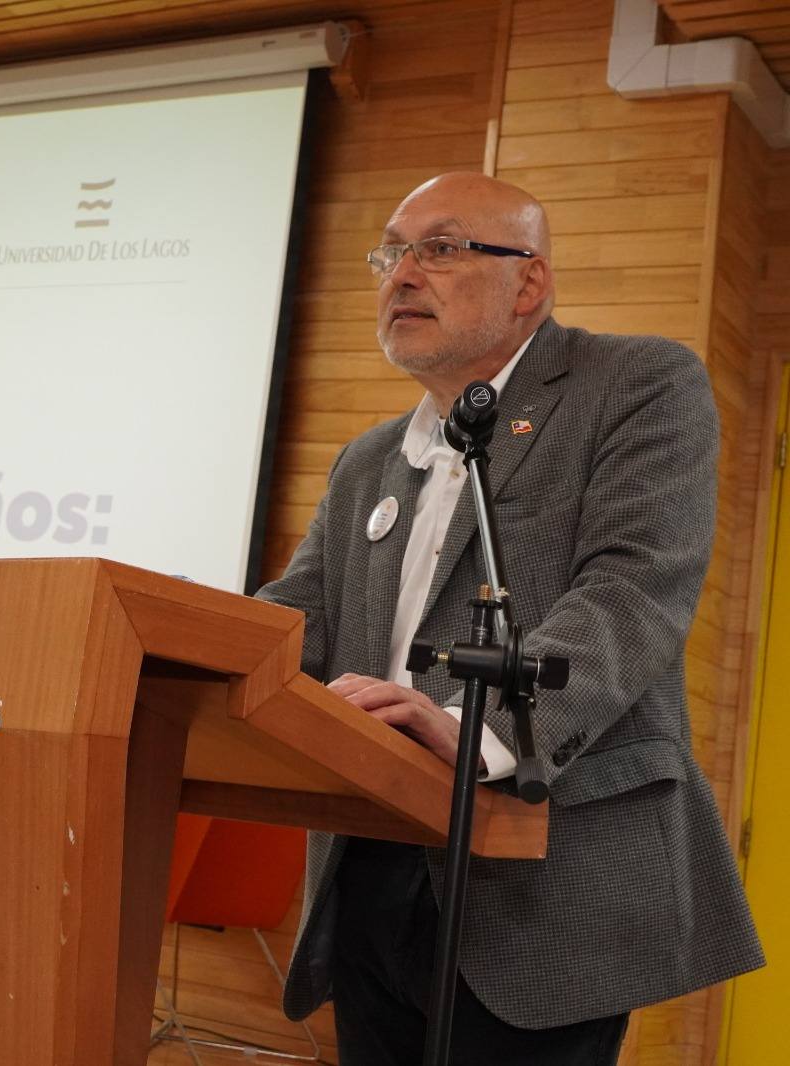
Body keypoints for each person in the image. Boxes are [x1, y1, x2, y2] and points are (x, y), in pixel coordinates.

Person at [256, 172, 764, 1064]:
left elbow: (633, 590)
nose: (401, 274)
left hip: (546, 875)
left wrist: (472, 729)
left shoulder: (637, 385)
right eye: (391, 253)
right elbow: (296, 620)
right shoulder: (368, 459)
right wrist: (179, 642)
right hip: (372, 863)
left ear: (528, 282)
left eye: (440, 248)